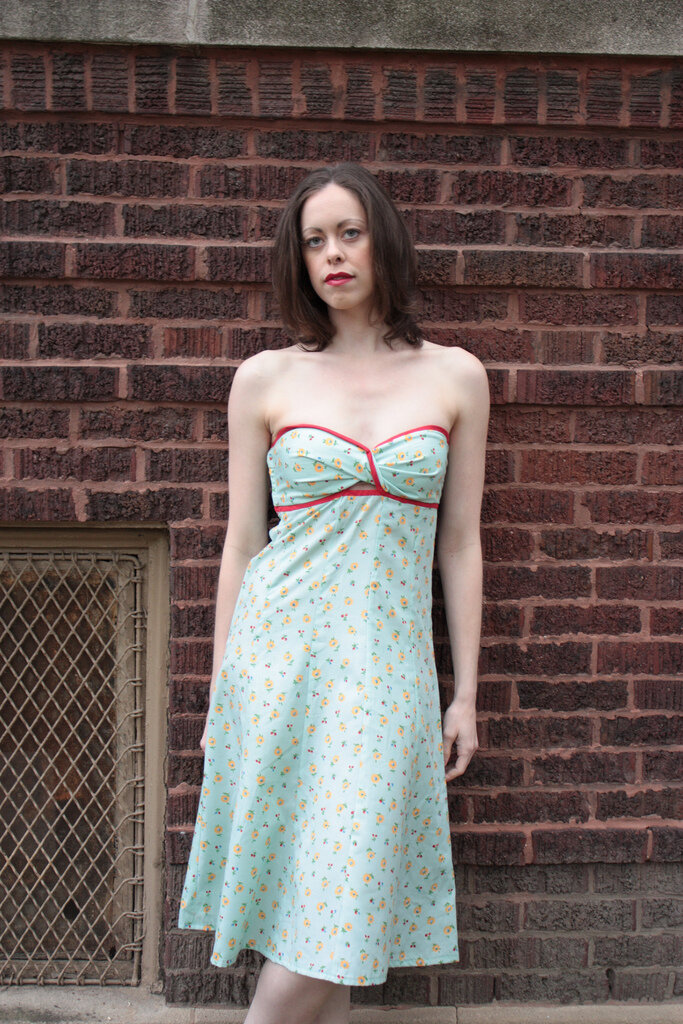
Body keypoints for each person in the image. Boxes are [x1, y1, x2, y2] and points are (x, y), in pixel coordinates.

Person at [178, 163, 489, 1024]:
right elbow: (243, 545)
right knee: (319, 909)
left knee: (344, 896)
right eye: (314, 241)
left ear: (381, 239)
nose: (333, 255)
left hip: (386, 674)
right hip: (280, 662)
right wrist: (222, 689)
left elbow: (459, 543)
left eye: (349, 233)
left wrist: (464, 694)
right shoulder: (265, 378)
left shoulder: (456, 376)